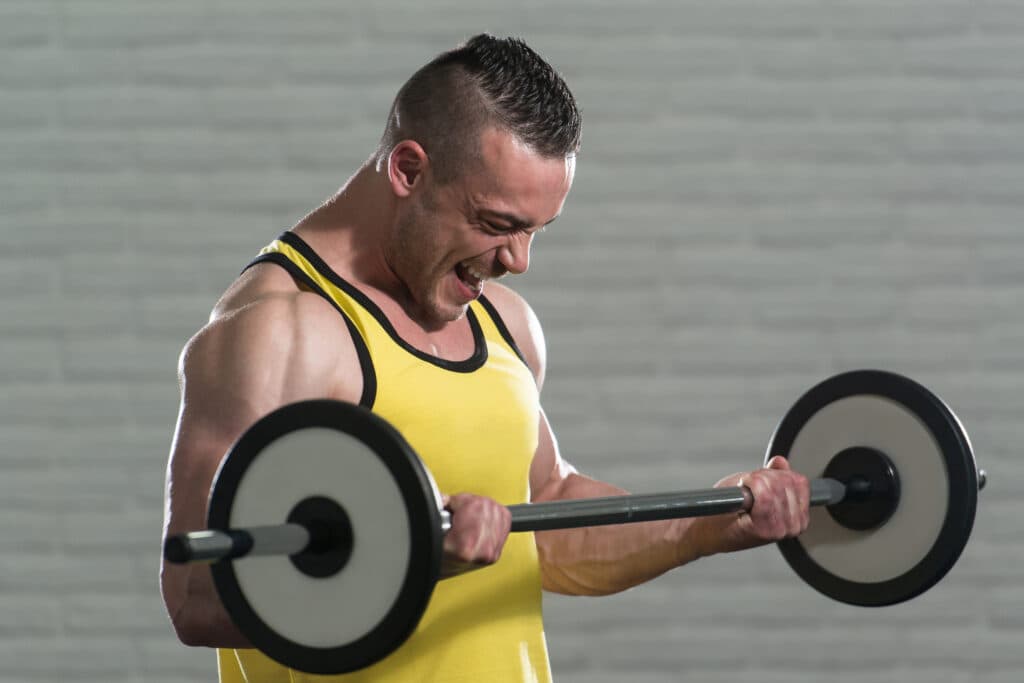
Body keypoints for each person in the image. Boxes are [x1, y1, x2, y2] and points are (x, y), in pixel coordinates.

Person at [160, 34, 811, 683]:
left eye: (535, 231)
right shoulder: (278, 331)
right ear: (408, 170)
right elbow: (194, 596)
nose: (518, 261)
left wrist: (709, 522)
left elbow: (549, 514)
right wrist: (405, 558)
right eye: (497, 224)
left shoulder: (503, 323)